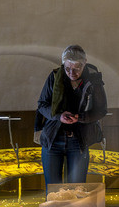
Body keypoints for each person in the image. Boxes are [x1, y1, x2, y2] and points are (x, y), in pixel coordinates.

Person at [37, 45, 108, 184]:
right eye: (67, 68)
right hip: (53, 140)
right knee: (53, 192)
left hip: (78, 141)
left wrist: (80, 117)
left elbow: (101, 110)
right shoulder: (55, 76)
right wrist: (59, 116)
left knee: (76, 190)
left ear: (84, 63)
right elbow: (42, 104)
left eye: (76, 68)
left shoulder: (93, 79)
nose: (71, 72)